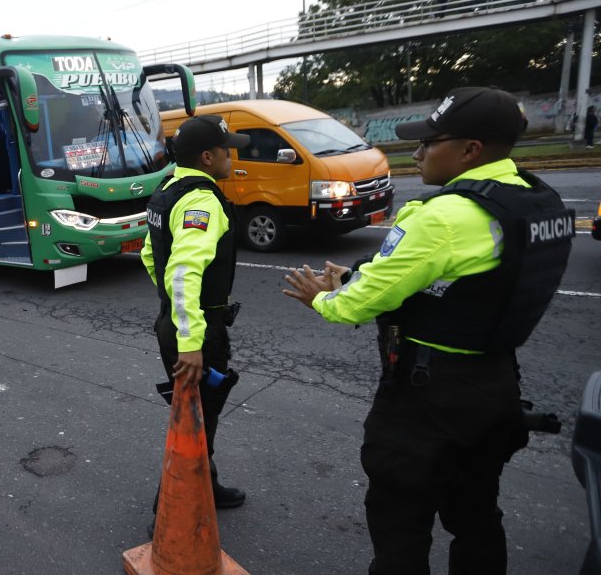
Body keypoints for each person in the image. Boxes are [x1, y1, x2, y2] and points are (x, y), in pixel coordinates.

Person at [282, 87, 573, 574]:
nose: (416, 154)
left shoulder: (444, 216)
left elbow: (357, 305)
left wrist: (327, 297)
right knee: (477, 516)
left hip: (428, 396)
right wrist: (360, 278)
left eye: (429, 143)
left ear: (469, 150)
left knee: (400, 522)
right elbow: (462, 287)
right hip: (495, 384)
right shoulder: (536, 201)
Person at [140, 114, 251, 517]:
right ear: (208, 156)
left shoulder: (166, 189)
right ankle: (169, 516)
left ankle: (207, 484)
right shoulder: (202, 200)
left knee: (197, 413)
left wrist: (172, 307)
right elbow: (185, 270)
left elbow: (151, 254)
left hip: (174, 321)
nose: (231, 155)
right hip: (197, 330)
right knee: (194, 422)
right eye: (227, 149)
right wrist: (191, 339)